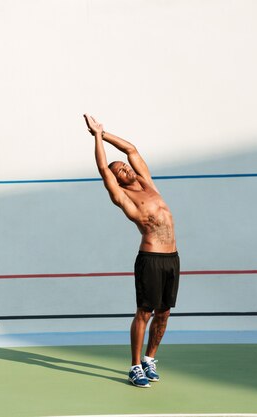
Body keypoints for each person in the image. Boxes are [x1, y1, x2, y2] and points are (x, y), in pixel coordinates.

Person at [83, 114, 180, 388]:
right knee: (145, 313)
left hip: (172, 258)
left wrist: (105, 131)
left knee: (164, 313)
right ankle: (135, 366)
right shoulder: (124, 197)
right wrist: (97, 139)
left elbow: (131, 149)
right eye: (120, 170)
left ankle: (149, 359)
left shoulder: (148, 184)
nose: (124, 168)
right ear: (116, 180)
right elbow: (103, 168)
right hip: (150, 258)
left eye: (124, 167)